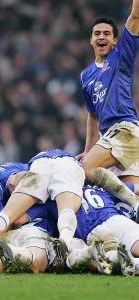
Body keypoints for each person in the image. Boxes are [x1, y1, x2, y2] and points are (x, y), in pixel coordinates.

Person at [76, 1, 139, 219]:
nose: (101, 36)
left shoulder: (121, 56)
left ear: (115, 40)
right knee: (127, 208)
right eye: (97, 33)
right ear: (91, 40)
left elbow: (136, 15)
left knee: (85, 170)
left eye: (106, 33)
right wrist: (88, 149)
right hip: (111, 140)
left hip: (125, 131)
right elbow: (92, 115)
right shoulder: (86, 76)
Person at [0, 149, 85, 264]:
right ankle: (64, 241)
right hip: (68, 164)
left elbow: (17, 220)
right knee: (66, 209)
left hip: (40, 161)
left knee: (7, 214)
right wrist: (88, 151)